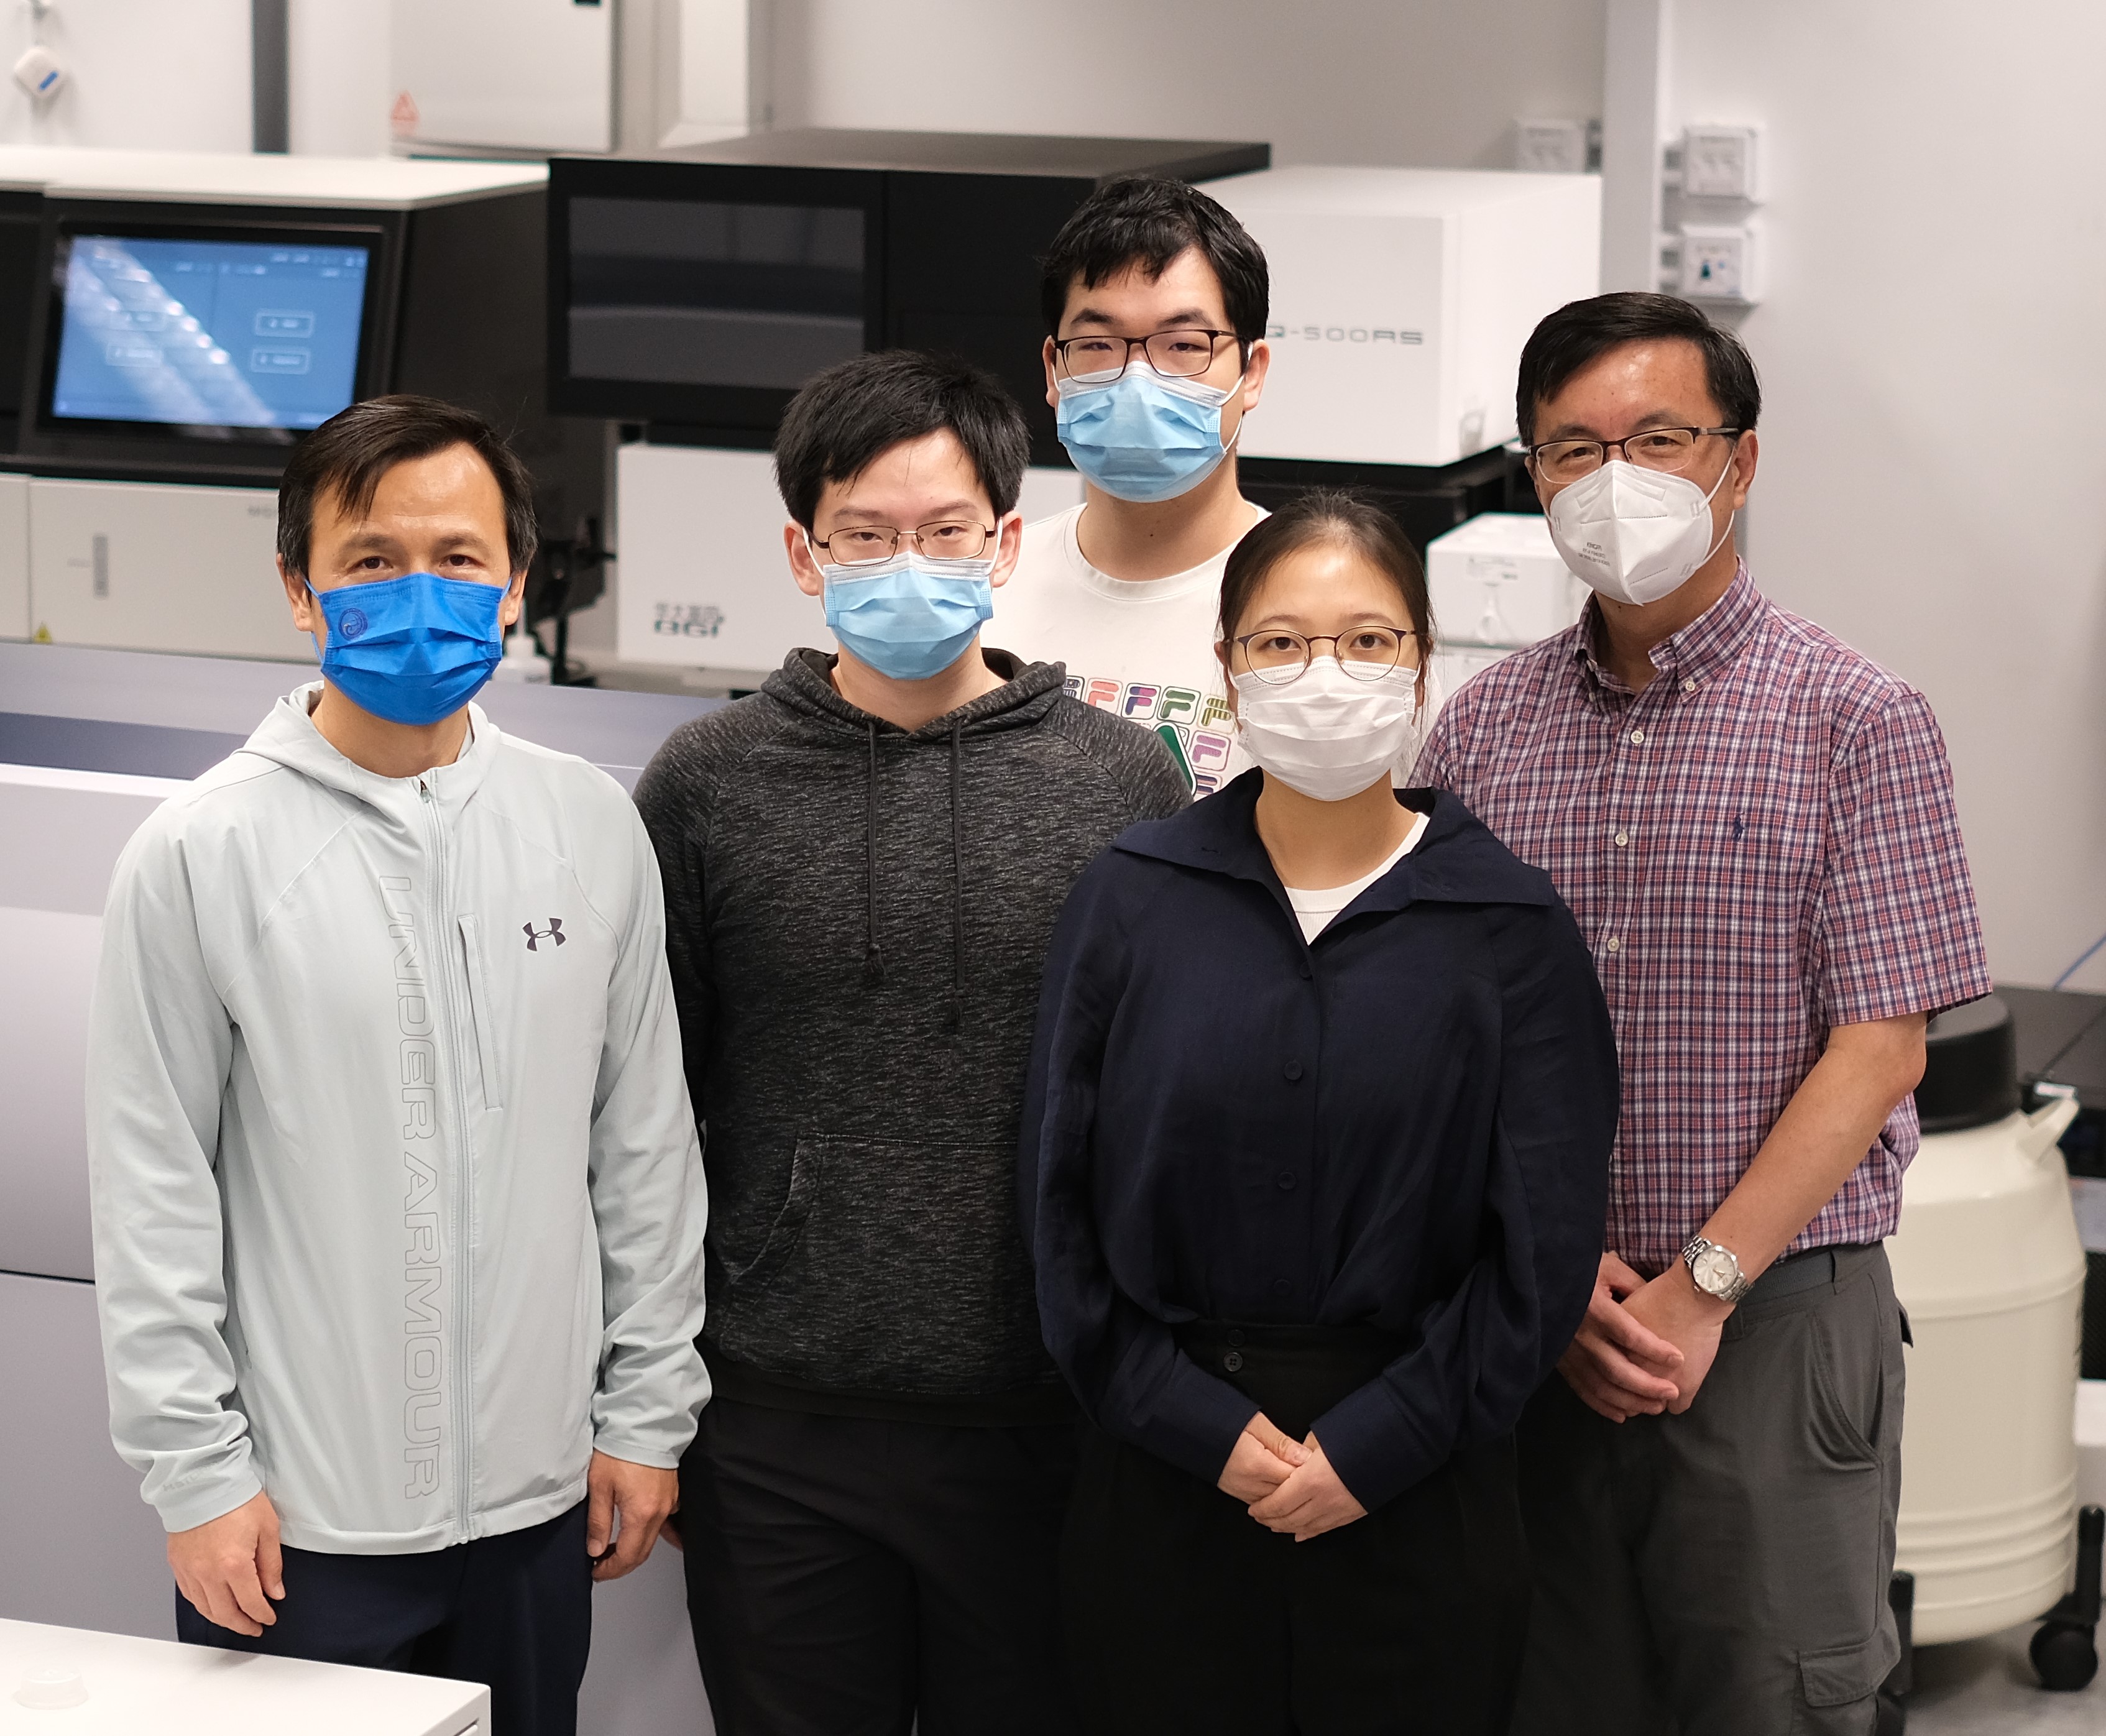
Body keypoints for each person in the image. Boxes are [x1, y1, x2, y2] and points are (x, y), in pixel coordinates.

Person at [85, 395, 709, 1736]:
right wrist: (197, 1477)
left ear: (517, 584)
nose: (417, 592)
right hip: (298, 1522)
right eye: (370, 560)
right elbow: (153, 1196)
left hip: (540, 1507)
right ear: (300, 590)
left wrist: (647, 1415)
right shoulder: (202, 853)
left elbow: (641, 1142)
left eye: (458, 557)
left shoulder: (587, 826)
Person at [1417, 292, 1992, 1735]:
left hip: (1778, 1318)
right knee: (1548, 1693)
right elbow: (1445, 1034)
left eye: (1658, 439)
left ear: (1739, 463)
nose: (1616, 480)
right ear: (1533, 479)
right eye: (1573, 449)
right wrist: (1545, 1279)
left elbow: (1882, 1046)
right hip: (1546, 1320)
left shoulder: (1857, 718)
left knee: (1777, 1695)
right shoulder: (1480, 734)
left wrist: (1704, 1287)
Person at [633, 349, 1188, 1736]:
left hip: (1042, 1419)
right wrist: (651, 1408)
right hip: (773, 1424)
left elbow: (1152, 1106)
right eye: (864, 536)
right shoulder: (705, 784)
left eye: (943, 533)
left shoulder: (1120, 780)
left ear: (1004, 539)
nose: (906, 565)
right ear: (800, 552)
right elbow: (647, 1114)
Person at [1020, 490, 1619, 1735]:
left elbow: (1542, 1252)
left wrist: (1381, 1441)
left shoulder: (1506, 926)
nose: (1322, 673)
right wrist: (1200, 1427)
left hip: (1423, 1484)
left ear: (1421, 663)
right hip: (1163, 1477)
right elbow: (1055, 1216)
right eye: (1280, 641)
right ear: (1227, 671)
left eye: (1364, 638)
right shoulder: (1132, 898)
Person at [994, 174, 1275, 796]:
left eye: (1183, 344)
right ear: (1052, 367)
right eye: (1097, 343)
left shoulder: (1322, 600)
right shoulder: (981, 592)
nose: (1137, 379)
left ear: (1251, 371)